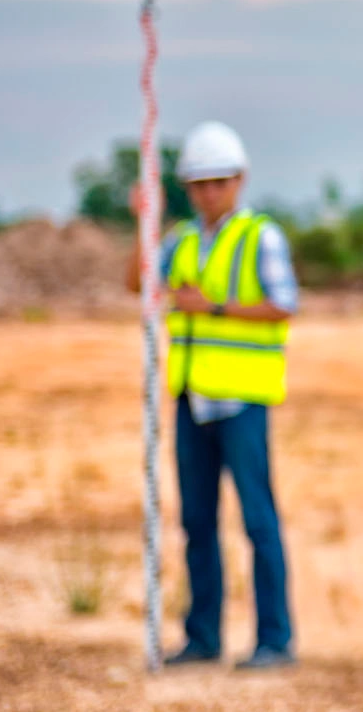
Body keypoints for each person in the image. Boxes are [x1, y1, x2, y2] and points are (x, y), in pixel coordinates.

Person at [125, 121, 298, 670]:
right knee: (196, 521)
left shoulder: (260, 236)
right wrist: (141, 224)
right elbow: (138, 283)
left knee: (257, 520)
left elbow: (283, 303)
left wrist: (213, 308)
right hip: (191, 397)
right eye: (199, 183)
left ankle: (274, 639)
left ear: (239, 181)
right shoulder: (178, 239)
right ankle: (202, 637)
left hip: (243, 400)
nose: (209, 192)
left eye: (218, 182)